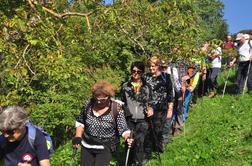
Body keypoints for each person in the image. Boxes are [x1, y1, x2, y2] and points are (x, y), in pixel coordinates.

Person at [72, 80, 133, 166]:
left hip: (105, 147)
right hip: (87, 145)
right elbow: (80, 121)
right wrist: (78, 136)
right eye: (97, 99)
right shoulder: (88, 105)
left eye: (103, 99)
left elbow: (123, 128)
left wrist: (128, 137)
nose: (99, 102)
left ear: (109, 96)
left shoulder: (116, 108)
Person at [121, 61, 153, 166]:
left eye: (138, 71)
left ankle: (139, 163)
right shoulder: (125, 86)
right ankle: (128, 163)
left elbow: (151, 102)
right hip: (129, 119)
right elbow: (123, 103)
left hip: (142, 120)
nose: (136, 73)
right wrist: (126, 114)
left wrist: (150, 109)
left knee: (139, 143)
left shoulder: (147, 87)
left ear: (142, 72)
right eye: (133, 71)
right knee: (129, 143)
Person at [144, 56, 174, 153]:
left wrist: (170, 109)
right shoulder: (145, 77)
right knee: (148, 129)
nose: (151, 68)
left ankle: (159, 146)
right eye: (149, 66)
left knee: (158, 129)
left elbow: (170, 94)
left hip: (161, 108)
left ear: (158, 66)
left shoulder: (166, 77)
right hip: (148, 108)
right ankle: (149, 150)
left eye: (153, 66)